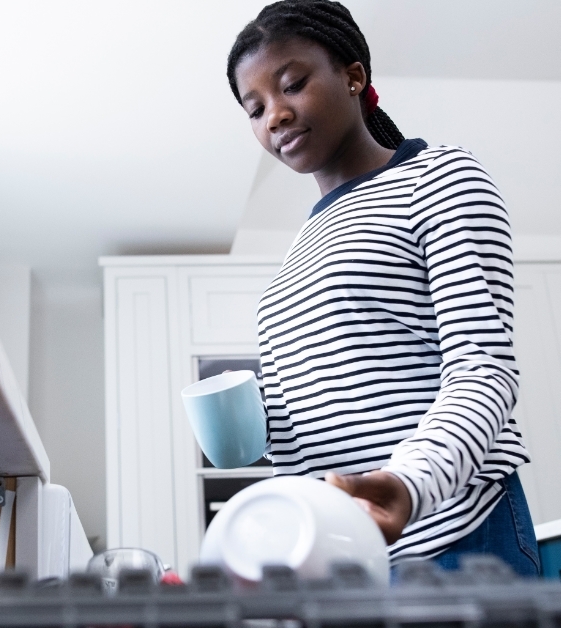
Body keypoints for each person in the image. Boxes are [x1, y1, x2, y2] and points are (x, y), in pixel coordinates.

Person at [227, 0, 540, 576]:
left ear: (353, 77)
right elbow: (325, 408)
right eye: (255, 108)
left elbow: (484, 369)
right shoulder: (303, 245)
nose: (274, 115)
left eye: (292, 84)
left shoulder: (438, 178)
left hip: (451, 537)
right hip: (340, 559)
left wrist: (406, 484)